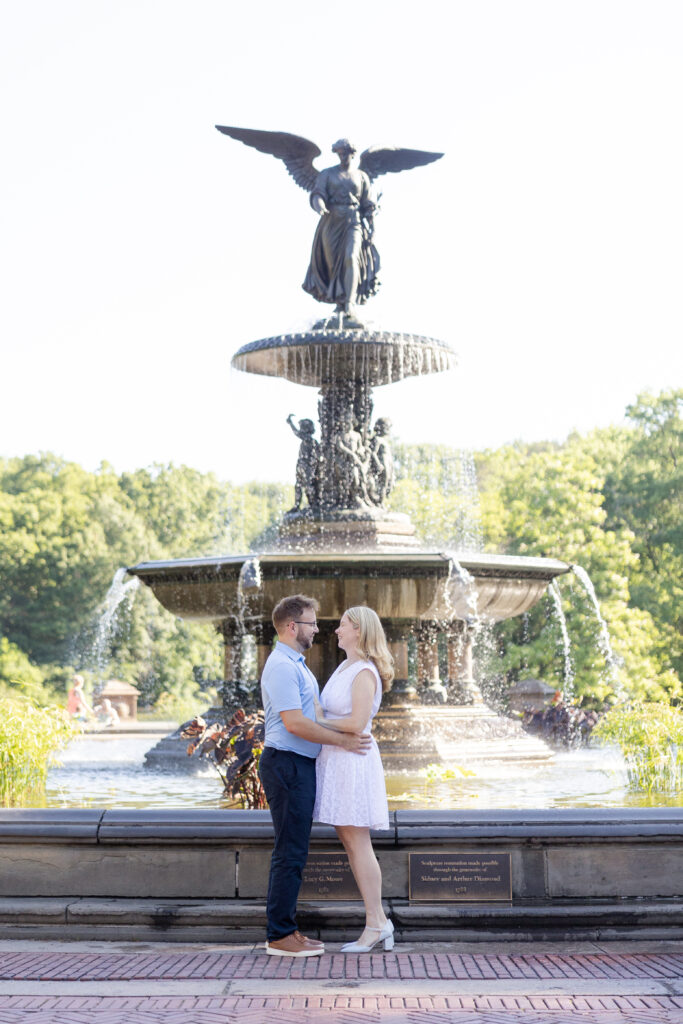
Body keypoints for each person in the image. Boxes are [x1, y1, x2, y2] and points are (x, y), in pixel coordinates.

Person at [258, 594, 372, 958]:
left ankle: (287, 929)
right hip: (287, 763)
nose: (317, 629)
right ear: (293, 627)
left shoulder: (297, 664)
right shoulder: (281, 666)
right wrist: (343, 740)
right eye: (311, 623)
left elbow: (315, 714)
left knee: (295, 849)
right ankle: (279, 934)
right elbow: (295, 723)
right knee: (289, 851)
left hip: (298, 764)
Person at [313, 606, 395, 953]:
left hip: (352, 759)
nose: (336, 631)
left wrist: (316, 719)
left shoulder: (364, 672)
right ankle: (379, 923)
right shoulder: (345, 667)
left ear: (359, 631)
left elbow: (357, 723)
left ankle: (376, 923)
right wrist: (320, 720)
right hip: (338, 758)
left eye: (343, 626)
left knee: (358, 843)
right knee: (351, 842)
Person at [302, 139, 379, 317]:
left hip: (354, 220)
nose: (343, 156)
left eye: (346, 152)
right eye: (339, 153)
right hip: (331, 220)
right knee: (332, 264)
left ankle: (350, 304)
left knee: (351, 257)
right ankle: (340, 303)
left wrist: (373, 229)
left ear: (352, 153)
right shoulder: (327, 174)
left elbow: (368, 204)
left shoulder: (361, 176)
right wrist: (319, 205)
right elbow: (317, 194)